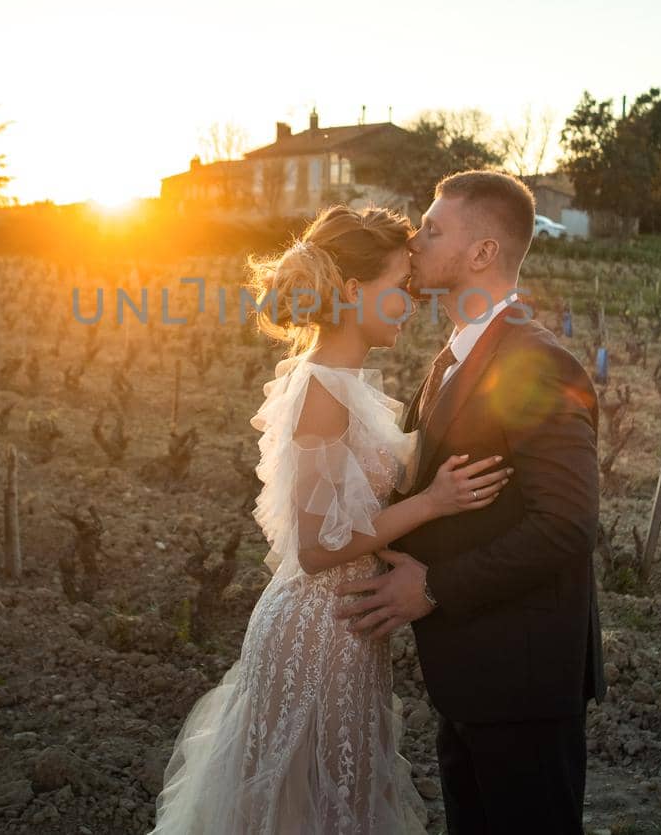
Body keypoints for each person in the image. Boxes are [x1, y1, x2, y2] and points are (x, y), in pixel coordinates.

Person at [149, 204, 511, 835]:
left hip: (346, 628)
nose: (410, 302)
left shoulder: (344, 384)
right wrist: (433, 503)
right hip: (317, 630)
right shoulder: (320, 391)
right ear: (352, 291)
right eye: (399, 288)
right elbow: (318, 547)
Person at [334, 170, 607, 834]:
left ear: (483, 253)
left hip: (522, 680)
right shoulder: (454, 357)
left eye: (433, 227)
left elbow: (568, 522)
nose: (415, 238)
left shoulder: (535, 362)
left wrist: (433, 586)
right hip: (470, 676)